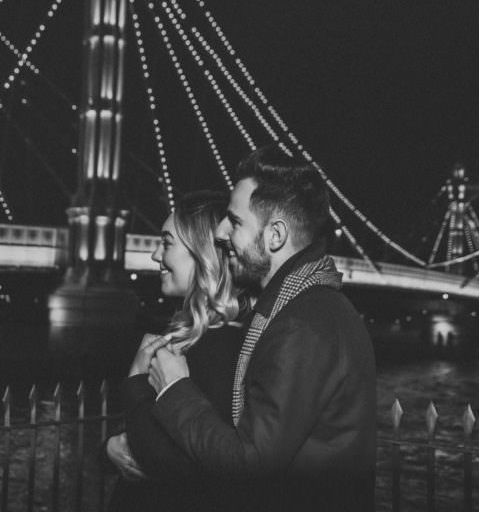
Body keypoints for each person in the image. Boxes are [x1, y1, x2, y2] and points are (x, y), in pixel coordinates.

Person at [148, 146, 377, 511]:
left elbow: (249, 465)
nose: (221, 233)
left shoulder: (304, 325)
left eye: (235, 222)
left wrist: (175, 389)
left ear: (275, 236)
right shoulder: (304, 308)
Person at [105, 190, 243, 512]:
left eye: (166, 243)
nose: (154, 255)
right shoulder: (189, 338)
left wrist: (135, 380)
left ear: (203, 254)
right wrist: (110, 447)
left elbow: (173, 464)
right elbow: (143, 433)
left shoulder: (222, 348)